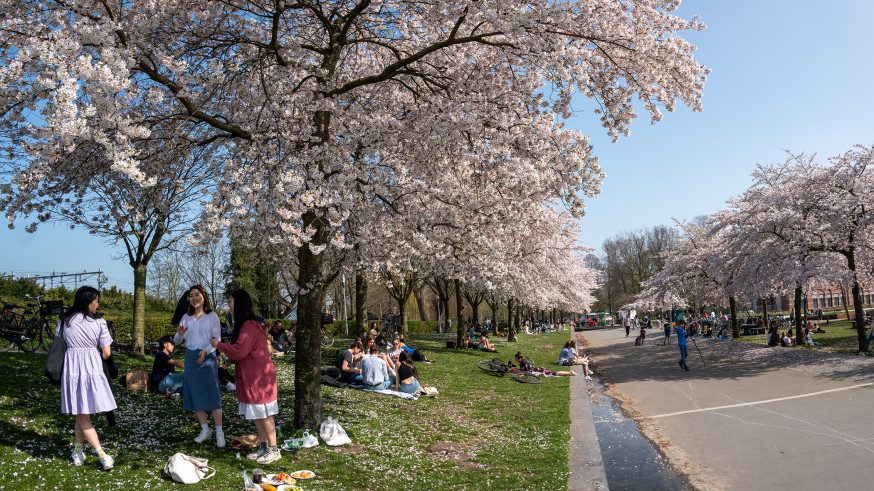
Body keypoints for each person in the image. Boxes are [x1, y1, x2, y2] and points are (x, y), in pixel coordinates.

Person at [211, 289, 280, 465]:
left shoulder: (249, 325)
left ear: (240, 303)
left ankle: (274, 450)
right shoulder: (247, 324)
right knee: (258, 414)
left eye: (231, 301)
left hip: (259, 378)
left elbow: (241, 350)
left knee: (265, 415)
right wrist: (230, 360)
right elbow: (244, 349)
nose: (229, 304)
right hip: (253, 376)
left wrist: (219, 345)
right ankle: (264, 447)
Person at [58, 286, 116, 470]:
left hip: (73, 368)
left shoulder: (64, 320)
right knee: (82, 413)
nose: (98, 305)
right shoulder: (99, 323)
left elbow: (58, 343)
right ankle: (102, 455)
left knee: (81, 412)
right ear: (88, 301)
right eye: (96, 301)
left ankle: (77, 453)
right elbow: (106, 353)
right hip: (92, 367)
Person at [174, 285, 224, 447]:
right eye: (191, 295)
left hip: (207, 357)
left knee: (213, 395)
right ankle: (205, 430)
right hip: (190, 358)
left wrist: (205, 351)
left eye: (197, 294)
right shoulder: (185, 317)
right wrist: (179, 335)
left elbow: (216, 341)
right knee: (195, 394)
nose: (194, 298)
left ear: (204, 297)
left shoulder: (212, 316)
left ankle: (219, 431)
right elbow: (177, 342)